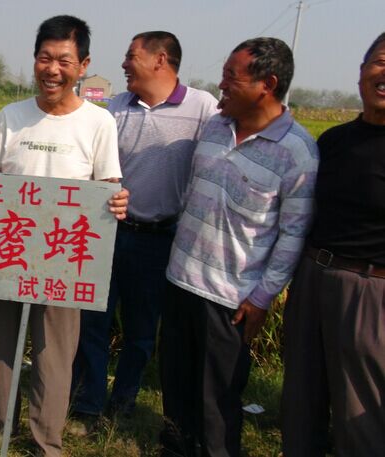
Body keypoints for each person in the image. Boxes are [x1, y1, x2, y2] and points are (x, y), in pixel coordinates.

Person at [0, 16, 129, 457]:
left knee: (55, 353)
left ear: (83, 65)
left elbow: (108, 186)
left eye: (64, 61)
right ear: (34, 60)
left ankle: (45, 441)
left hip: (64, 257)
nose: (52, 69)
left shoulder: (98, 123)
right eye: (44, 58)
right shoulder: (11, 117)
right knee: (0, 346)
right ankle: (0, 428)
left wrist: (116, 202)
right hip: (5, 251)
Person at [160, 37, 318, 457]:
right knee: (176, 385)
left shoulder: (297, 153)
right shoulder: (216, 127)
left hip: (230, 299)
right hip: (180, 280)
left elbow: (293, 234)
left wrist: (262, 297)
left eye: (232, 76)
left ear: (267, 84)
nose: (222, 84)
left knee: (217, 401)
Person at [71, 31, 218, 424]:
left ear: (160, 60)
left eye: (130, 56)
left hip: (160, 238)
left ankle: (123, 401)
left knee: (141, 329)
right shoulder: (115, 108)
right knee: (93, 320)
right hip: (107, 231)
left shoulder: (202, 108)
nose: (123, 64)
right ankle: (87, 403)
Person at [281, 32, 385, 457]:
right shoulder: (334, 140)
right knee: (301, 397)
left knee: (361, 409)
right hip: (313, 275)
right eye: (380, 62)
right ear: (361, 72)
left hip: (370, 289)